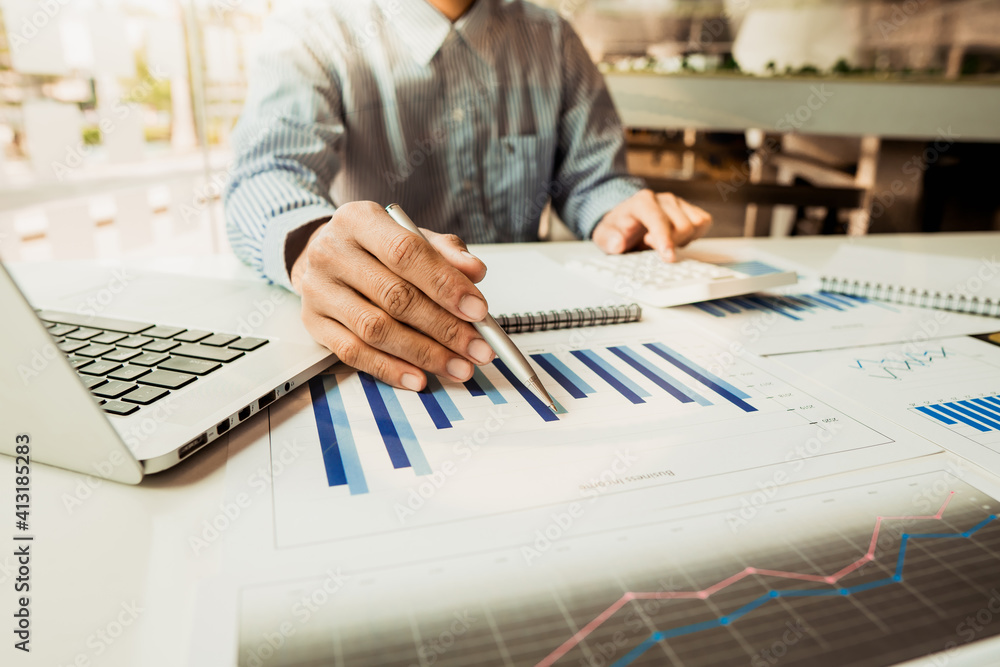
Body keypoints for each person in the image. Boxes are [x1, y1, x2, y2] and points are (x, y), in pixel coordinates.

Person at [224, 0, 712, 394]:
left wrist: (617, 208)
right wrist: (312, 249)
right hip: (382, 334)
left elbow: (592, 178)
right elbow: (266, 176)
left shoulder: (553, 37)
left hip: (542, 323)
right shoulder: (312, 29)